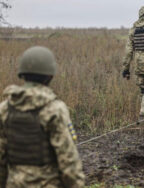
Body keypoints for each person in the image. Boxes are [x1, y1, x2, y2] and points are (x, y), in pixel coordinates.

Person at [0, 46, 85, 188]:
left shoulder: (5, 109)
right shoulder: (54, 109)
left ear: (22, 74)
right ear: (50, 76)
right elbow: (68, 160)